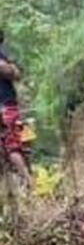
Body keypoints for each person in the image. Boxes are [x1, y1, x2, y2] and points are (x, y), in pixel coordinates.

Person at [0, 30, 32, 188]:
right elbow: (13, 73)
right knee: (12, 146)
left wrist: (11, 69)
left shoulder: (3, 56)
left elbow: (15, 74)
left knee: (15, 145)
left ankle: (27, 180)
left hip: (7, 106)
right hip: (7, 106)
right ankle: (26, 180)